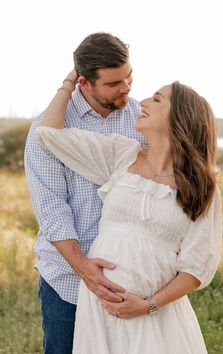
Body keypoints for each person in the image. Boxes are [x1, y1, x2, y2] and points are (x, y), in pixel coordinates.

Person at [35, 68, 222, 353]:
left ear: (179, 118)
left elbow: (197, 268)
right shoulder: (121, 154)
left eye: (156, 100)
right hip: (100, 311)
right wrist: (71, 80)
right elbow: (48, 134)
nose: (143, 102)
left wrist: (147, 305)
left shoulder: (201, 185)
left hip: (155, 316)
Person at [24, 32, 147, 354]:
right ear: (84, 83)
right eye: (113, 83)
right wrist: (85, 269)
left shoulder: (143, 121)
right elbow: (51, 208)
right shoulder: (48, 128)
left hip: (131, 277)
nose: (126, 88)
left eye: (128, 76)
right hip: (68, 279)